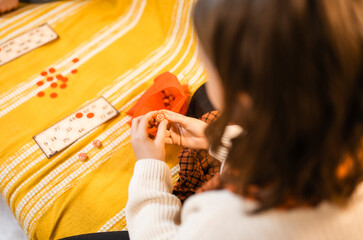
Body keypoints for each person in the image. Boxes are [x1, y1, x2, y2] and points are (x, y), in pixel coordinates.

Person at [126, 0, 363, 239]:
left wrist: (150, 168)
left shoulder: (228, 216)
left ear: (245, 97)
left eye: (211, 67)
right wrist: (221, 140)